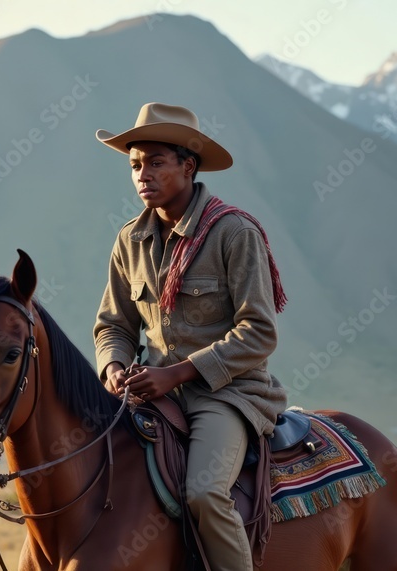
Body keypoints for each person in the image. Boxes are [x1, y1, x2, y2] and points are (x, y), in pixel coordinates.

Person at [92, 102, 288, 571]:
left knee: (203, 491)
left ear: (189, 165)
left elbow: (260, 332)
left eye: (156, 162)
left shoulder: (234, 233)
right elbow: (114, 325)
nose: (143, 175)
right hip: (150, 392)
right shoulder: (128, 241)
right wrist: (114, 367)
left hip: (226, 394)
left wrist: (179, 372)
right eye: (136, 165)